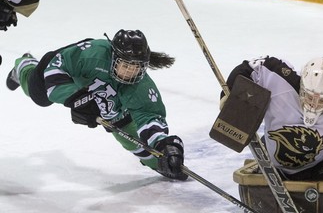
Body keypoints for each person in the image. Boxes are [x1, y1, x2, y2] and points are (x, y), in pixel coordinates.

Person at [6, 29, 188, 181]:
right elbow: (54, 71)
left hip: (108, 98)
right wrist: (76, 99)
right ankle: (24, 65)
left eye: (137, 67)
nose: (131, 73)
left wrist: (163, 146)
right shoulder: (90, 55)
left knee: (134, 135)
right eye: (126, 66)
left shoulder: (140, 84)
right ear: (114, 57)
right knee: (39, 97)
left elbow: (148, 115)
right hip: (65, 72)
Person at [223, 56, 323, 213]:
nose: (314, 104)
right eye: (309, 96)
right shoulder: (279, 77)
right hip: (273, 159)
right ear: (302, 83)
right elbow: (249, 68)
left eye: (322, 100)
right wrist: (229, 94)